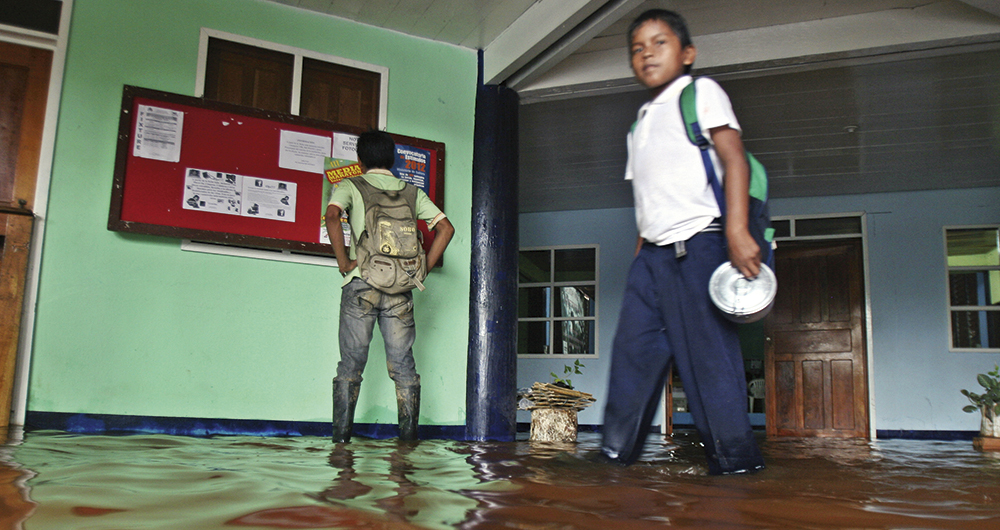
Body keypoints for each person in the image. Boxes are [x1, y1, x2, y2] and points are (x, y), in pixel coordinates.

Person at [598, 9, 765, 474]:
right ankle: (613, 459)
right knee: (631, 355)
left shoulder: (700, 93)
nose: (647, 52)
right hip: (651, 258)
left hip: (702, 246)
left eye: (660, 42)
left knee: (707, 363)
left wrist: (736, 230)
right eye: (637, 47)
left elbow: (735, 161)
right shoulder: (639, 124)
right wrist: (639, 262)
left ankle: (736, 465)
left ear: (687, 53)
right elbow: (647, 201)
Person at [325, 130, 455, 442]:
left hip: (361, 285)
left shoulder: (351, 184)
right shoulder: (411, 191)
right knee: (404, 367)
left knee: (350, 367)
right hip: (401, 290)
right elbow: (446, 229)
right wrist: (421, 271)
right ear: (393, 159)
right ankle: (408, 444)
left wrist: (344, 262)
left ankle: (341, 445)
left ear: (360, 160)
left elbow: (332, 216)